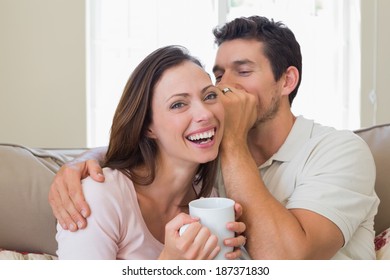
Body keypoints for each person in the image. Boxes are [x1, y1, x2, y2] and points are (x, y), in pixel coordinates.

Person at [49, 16, 379, 259]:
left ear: (287, 81)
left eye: (244, 71)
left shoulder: (339, 151)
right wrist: (79, 165)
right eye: (219, 75)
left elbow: (287, 263)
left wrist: (233, 141)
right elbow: (154, 146)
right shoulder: (204, 157)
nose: (225, 88)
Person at [55, 45, 246, 260]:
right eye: (178, 104)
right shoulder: (99, 198)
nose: (204, 113)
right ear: (148, 127)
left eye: (210, 96)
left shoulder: (210, 198)